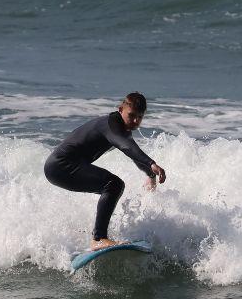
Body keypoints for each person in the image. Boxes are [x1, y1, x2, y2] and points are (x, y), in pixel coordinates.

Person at [44, 92, 167, 250]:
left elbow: (131, 151)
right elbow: (126, 146)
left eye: (140, 117)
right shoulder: (111, 125)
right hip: (60, 165)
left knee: (112, 185)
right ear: (120, 109)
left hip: (59, 166)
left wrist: (150, 175)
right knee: (113, 184)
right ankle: (99, 238)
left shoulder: (119, 127)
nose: (136, 121)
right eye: (132, 115)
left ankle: (94, 235)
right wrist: (151, 163)